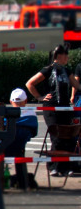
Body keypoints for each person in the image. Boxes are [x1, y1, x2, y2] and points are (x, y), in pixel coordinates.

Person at [26, 45, 81, 177]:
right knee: (56, 136)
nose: (67, 57)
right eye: (65, 55)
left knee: (67, 136)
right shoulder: (48, 70)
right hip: (51, 107)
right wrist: (39, 97)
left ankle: (65, 167)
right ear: (58, 56)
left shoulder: (67, 71)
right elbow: (30, 83)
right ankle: (53, 167)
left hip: (65, 107)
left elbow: (77, 85)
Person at [0, 88, 39, 189]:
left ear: (10, 101)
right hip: (19, 147)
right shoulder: (31, 114)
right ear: (26, 101)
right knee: (20, 152)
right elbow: (34, 133)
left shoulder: (4, 113)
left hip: (0, 147)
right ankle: (22, 182)